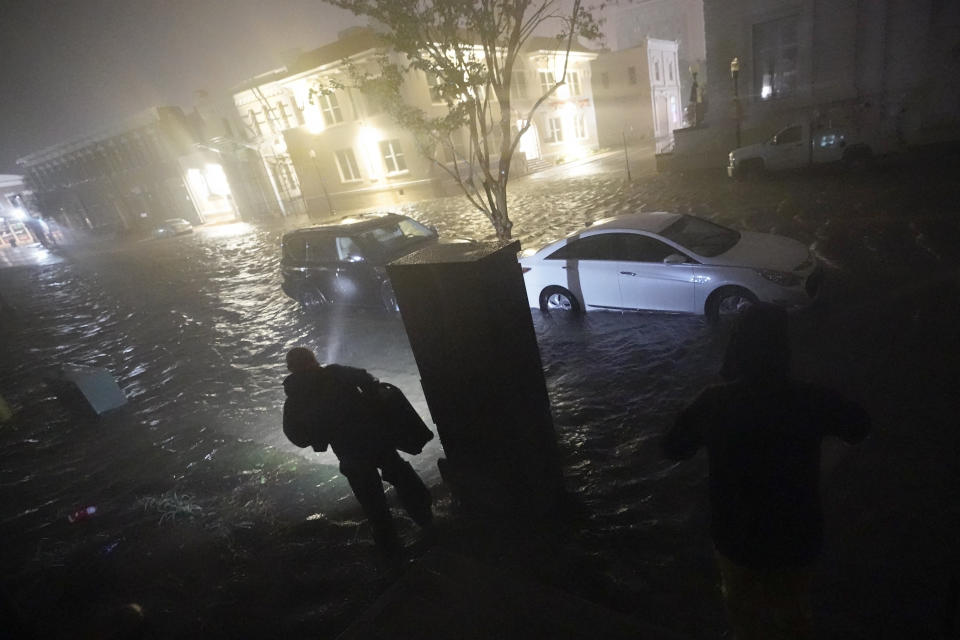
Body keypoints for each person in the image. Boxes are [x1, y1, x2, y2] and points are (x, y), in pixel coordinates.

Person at [662, 304, 870, 640]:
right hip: (796, 536)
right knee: (793, 615)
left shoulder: (715, 402)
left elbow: (673, 448)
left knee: (743, 615)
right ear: (783, 349)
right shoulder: (810, 399)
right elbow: (859, 427)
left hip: (736, 536)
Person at [282, 347, 433, 556]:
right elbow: (367, 379)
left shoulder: (294, 399)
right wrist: (375, 404)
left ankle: (392, 552)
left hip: (348, 452)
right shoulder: (335, 373)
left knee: (373, 505)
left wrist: (318, 435)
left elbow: (295, 435)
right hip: (374, 439)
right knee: (404, 480)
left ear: (291, 369)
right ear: (313, 360)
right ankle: (429, 525)